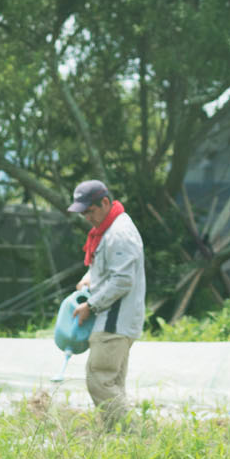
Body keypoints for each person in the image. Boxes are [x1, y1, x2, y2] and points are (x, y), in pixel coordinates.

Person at [68, 178, 143, 428]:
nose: (87, 217)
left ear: (105, 202)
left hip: (114, 320)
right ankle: (121, 438)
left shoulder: (119, 234)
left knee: (99, 378)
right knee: (113, 382)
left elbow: (122, 280)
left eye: (90, 211)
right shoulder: (109, 230)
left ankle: (132, 434)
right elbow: (109, 269)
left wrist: (90, 305)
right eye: (83, 213)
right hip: (116, 319)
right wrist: (89, 278)